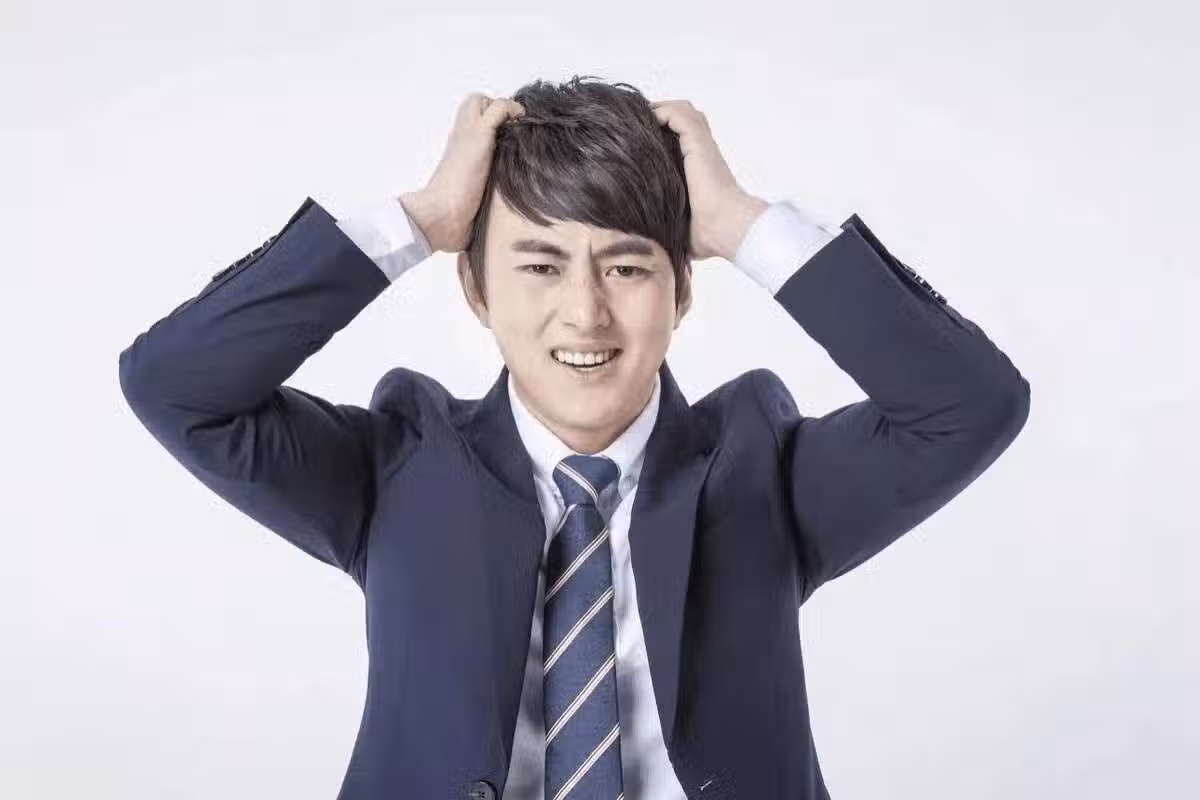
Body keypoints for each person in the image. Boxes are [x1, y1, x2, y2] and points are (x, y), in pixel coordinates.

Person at [118, 75, 1031, 800]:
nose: (585, 313)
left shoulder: (765, 470)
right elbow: (176, 383)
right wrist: (422, 222)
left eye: (627, 267)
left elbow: (971, 403)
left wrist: (742, 226)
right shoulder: (397, 465)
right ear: (478, 291)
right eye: (541, 265)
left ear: (681, 291)